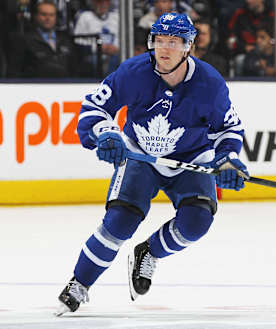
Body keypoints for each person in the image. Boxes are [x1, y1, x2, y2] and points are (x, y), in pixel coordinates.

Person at [55, 12, 248, 316]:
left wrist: (228, 160)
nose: (165, 49)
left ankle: (149, 252)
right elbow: (94, 107)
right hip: (140, 156)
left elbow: (229, 130)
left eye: (174, 42)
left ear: (188, 46)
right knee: (120, 221)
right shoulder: (133, 71)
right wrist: (106, 133)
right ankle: (79, 284)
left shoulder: (209, 82)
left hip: (190, 159)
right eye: (160, 40)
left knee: (196, 223)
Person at [7, 0, 76, 78]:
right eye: (43, 14)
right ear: (35, 16)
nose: (48, 18)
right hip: (35, 86)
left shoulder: (66, 40)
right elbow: (14, 72)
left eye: (51, 15)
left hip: (67, 85)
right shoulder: (24, 40)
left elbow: (74, 69)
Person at [227, 0, 274, 75]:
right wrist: (244, 47)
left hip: (269, 54)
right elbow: (230, 40)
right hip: (246, 54)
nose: (247, 1)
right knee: (240, 60)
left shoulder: (273, 15)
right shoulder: (239, 14)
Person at [74, 0, 119, 75]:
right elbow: (78, 40)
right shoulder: (84, 16)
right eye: (99, 2)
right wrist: (98, 48)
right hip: (93, 55)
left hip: (114, 55)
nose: (103, 4)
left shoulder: (116, 17)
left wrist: (115, 47)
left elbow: (122, 38)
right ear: (93, 2)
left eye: (106, 1)